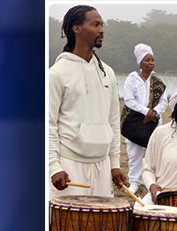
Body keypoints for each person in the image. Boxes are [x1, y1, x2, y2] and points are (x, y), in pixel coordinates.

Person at [47, 5, 125, 199]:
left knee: (102, 229)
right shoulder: (56, 73)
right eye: (95, 24)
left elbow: (114, 122)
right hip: (69, 167)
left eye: (102, 25)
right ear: (76, 29)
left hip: (103, 166)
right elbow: (48, 125)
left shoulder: (108, 73)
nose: (101, 30)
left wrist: (114, 164)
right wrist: (53, 167)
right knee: (68, 229)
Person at [121, 43, 168, 194]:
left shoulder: (158, 83)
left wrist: (154, 112)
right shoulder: (132, 79)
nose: (151, 63)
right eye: (147, 60)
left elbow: (164, 101)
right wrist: (146, 111)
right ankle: (134, 182)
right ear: (140, 62)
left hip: (153, 121)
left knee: (153, 153)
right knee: (134, 153)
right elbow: (128, 100)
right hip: (135, 120)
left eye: (152, 60)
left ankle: (151, 182)